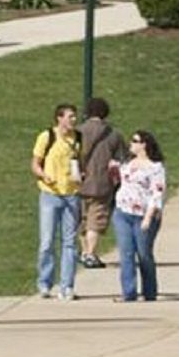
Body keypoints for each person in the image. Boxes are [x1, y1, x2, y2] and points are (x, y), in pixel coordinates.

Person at [30, 102, 82, 299]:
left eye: (75, 116)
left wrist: (81, 175)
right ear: (59, 118)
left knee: (69, 242)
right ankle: (44, 282)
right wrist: (43, 175)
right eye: (70, 116)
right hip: (50, 194)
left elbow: (79, 162)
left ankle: (67, 285)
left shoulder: (78, 138)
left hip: (71, 193)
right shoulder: (47, 137)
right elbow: (35, 163)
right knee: (47, 241)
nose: (73, 120)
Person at [112, 129, 167, 302]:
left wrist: (148, 218)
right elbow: (119, 180)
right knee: (126, 253)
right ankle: (128, 292)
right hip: (123, 212)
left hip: (144, 216)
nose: (131, 144)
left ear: (144, 144)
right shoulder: (127, 163)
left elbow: (157, 194)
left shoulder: (155, 167)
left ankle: (150, 291)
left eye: (135, 141)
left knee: (144, 254)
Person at [76, 96, 124, 269]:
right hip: (102, 183)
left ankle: (84, 251)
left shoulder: (78, 132)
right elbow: (121, 159)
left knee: (82, 219)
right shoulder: (113, 134)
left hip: (79, 182)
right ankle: (91, 253)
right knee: (96, 219)